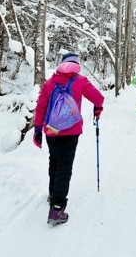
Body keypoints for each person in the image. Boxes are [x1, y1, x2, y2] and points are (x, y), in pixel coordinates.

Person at [33, 52, 104, 226]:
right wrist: (98, 109)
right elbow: (98, 98)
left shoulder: (49, 83)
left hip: (51, 131)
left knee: (54, 161)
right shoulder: (81, 81)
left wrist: (37, 130)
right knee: (65, 166)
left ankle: (53, 195)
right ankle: (57, 208)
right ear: (77, 65)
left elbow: (40, 107)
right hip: (71, 132)